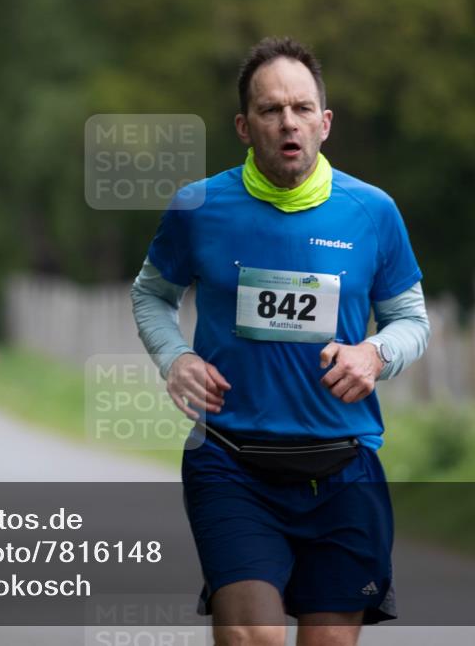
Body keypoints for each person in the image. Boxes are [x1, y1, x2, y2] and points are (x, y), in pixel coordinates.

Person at [131, 37, 430, 646]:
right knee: (254, 637)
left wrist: (375, 353)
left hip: (344, 465)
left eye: (301, 108)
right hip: (231, 461)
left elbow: (411, 319)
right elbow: (151, 295)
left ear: (325, 122)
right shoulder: (198, 208)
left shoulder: (373, 211)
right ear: (245, 126)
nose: (287, 122)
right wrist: (174, 357)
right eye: (270, 110)